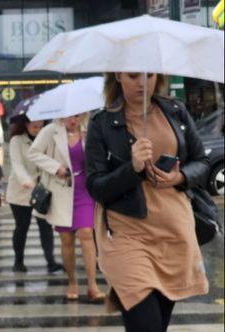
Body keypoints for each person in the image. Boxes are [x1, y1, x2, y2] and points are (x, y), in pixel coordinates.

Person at [85, 73, 209, 332]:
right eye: (132, 75)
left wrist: (181, 176)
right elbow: (96, 186)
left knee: (158, 325)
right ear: (118, 76)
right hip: (126, 234)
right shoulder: (102, 122)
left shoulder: (175, 111)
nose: (142, 82)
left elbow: (202, 162)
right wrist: (133, 168)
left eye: (149, 75)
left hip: (173, 231)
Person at [27, 114, 105, 302]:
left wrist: (92, 144)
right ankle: (72, 281)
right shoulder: (50, 130)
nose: (74, 120)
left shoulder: (90, 130)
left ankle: (93, 285)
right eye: (70, 117)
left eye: (78, 116)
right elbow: (33, 153)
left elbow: (102, 155)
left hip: (85, 190)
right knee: (67, 239)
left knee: (87, 233)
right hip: (61, 190)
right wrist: (55, 167)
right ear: (62, 116)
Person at [6, 115, 63, 274]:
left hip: (43, 190)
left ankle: (51, 262)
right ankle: (18, 261)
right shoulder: (17, 140)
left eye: (41, 126)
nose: (38, 130)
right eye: (34, 127)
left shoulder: (49, 138)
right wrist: (26, 181)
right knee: (21, 226)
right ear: (25, 124)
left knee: (45, 226)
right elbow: (17, 164)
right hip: (20, 190)